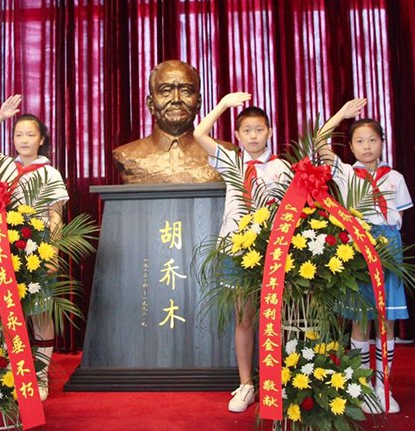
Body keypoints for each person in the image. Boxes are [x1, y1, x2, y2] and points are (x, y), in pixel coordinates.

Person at [194, 92, 292, 413]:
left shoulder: (281, 167)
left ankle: (278, 381)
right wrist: (223, 105)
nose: (253, 136)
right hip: (236, 248)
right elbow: (199, 134)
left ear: (270, 132)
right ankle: (246, 384)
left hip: (273, 249)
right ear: (237, 135)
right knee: (244, 317)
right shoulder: (231, 160)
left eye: (259, 130)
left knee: (276, 316)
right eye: (247, 131)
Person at [0, 95, 69, 402]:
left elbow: (55, 215)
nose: (24, 140)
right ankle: (10, 374)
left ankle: (40, 376)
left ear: (42, 140)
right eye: (18, 134)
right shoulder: (4, 166)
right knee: (7, 313)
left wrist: (52, 253)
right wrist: (0, 117)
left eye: (30, 135)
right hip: (3, 247)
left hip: (38, 249)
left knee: (40, 313)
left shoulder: (49, 173)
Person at [320, 116, 413, 414]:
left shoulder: (395, 177)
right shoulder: (346, 174)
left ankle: (384, 387)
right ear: (350, 146)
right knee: (361, 318)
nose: (367, 146)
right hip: (359, 248)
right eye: (359, 141)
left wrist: (388, 244)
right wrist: (342, 114)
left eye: (373, 140)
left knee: (386, 319)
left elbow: (399, 219)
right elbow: (319, 142)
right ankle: (362, 386)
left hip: (389, 249)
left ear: (382, 142)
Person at [113, 59, 236, 184]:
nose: (176, 99)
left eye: (185, 91)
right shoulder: (126, 155)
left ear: (198, 103)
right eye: (165, 91)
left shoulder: (226, 154)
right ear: (151, 104)